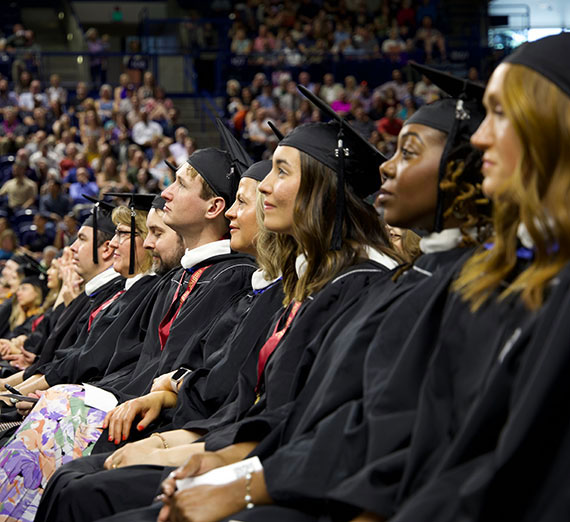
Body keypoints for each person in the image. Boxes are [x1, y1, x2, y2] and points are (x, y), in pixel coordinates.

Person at [36, 111, 400, 522]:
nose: (264, 187)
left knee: (86, 489)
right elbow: (240, 392)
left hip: (280, 472)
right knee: (76, 478)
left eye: (280, 172)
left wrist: (201, 453)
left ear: (323, 190)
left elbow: (293, 414)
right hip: (236, 443)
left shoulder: (350, 287)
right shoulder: (303, 286)